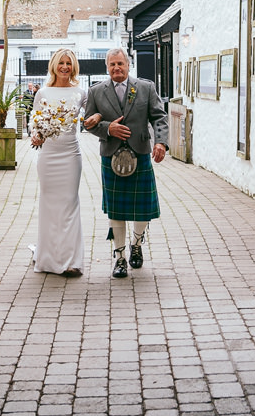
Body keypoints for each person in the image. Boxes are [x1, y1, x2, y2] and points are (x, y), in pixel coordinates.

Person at [81, 48, 167, 278]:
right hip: (111, 156)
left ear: (128, 65)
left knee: (142, 210)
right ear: (107, 67)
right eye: (112, 65)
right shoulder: (96, 91)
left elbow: (159, 116)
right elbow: (87, 124)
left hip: (140, 153)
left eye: (120, 63)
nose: (116, 68)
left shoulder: (145, 88)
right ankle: (119, 258)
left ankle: (136, 246)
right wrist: (108, 128)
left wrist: (162, 143)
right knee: (116, 211)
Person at [28, 49, 87, 277]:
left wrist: (97, 118)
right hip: (49, 157)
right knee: (49, 207)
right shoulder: (42, 93)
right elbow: (34, 123)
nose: (64, 67)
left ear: (73, 67)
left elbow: (93, 115)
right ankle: (48, 259)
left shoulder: (81, 93)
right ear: (54, 65)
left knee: (70, 206)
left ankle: (71, 261)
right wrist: (36, 135)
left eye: (69, 63)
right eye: (61, 63)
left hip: (71, 155)